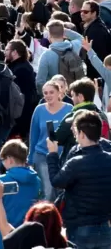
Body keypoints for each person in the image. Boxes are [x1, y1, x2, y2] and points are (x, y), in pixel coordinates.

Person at [47, 110, 111, 248]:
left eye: (75, 132)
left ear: (81, 133)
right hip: (105, 225)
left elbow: (57, 182)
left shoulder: (76, 163)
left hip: (80, 227)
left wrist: (52, 154)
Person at [0, 140, 41, 249]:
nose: (2, 163)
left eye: (3, 160)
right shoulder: (36, 180)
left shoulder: (0, 181)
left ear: (10, 159)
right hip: (25, 238)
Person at [27, 79, 72, 201]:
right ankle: (48, 218)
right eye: (45, 93)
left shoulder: (69, 109)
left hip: (63, 156)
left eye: (51, 92)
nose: (48, 95)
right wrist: (30, 158)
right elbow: (34, 135)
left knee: (63, 192)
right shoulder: (39, 110)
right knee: (48, 191)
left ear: (59, 93)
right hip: (42, 154)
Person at [54, 78, 108, 164]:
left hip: (75, 163)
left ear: (80, 97)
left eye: (73, 95)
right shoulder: (102, 115)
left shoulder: (72, 117)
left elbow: (56, 139)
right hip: (101, 162)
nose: (72, 98)